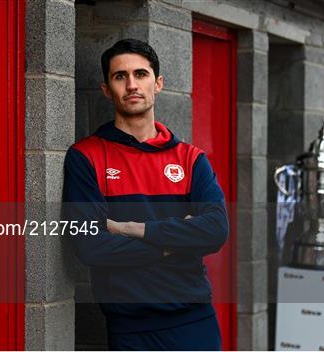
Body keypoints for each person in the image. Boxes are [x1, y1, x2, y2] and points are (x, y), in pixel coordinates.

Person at [63, 38, 228, 350]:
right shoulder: (86, 157)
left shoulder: (190, 159)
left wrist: (134, 229)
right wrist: (172, 245)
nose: (132, 85)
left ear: (158, 83)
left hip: (195, 319)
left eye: (141, 74)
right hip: (130, 327)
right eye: (120, 76)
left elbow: (215, 230)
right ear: (106, 89)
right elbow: (90, 246)